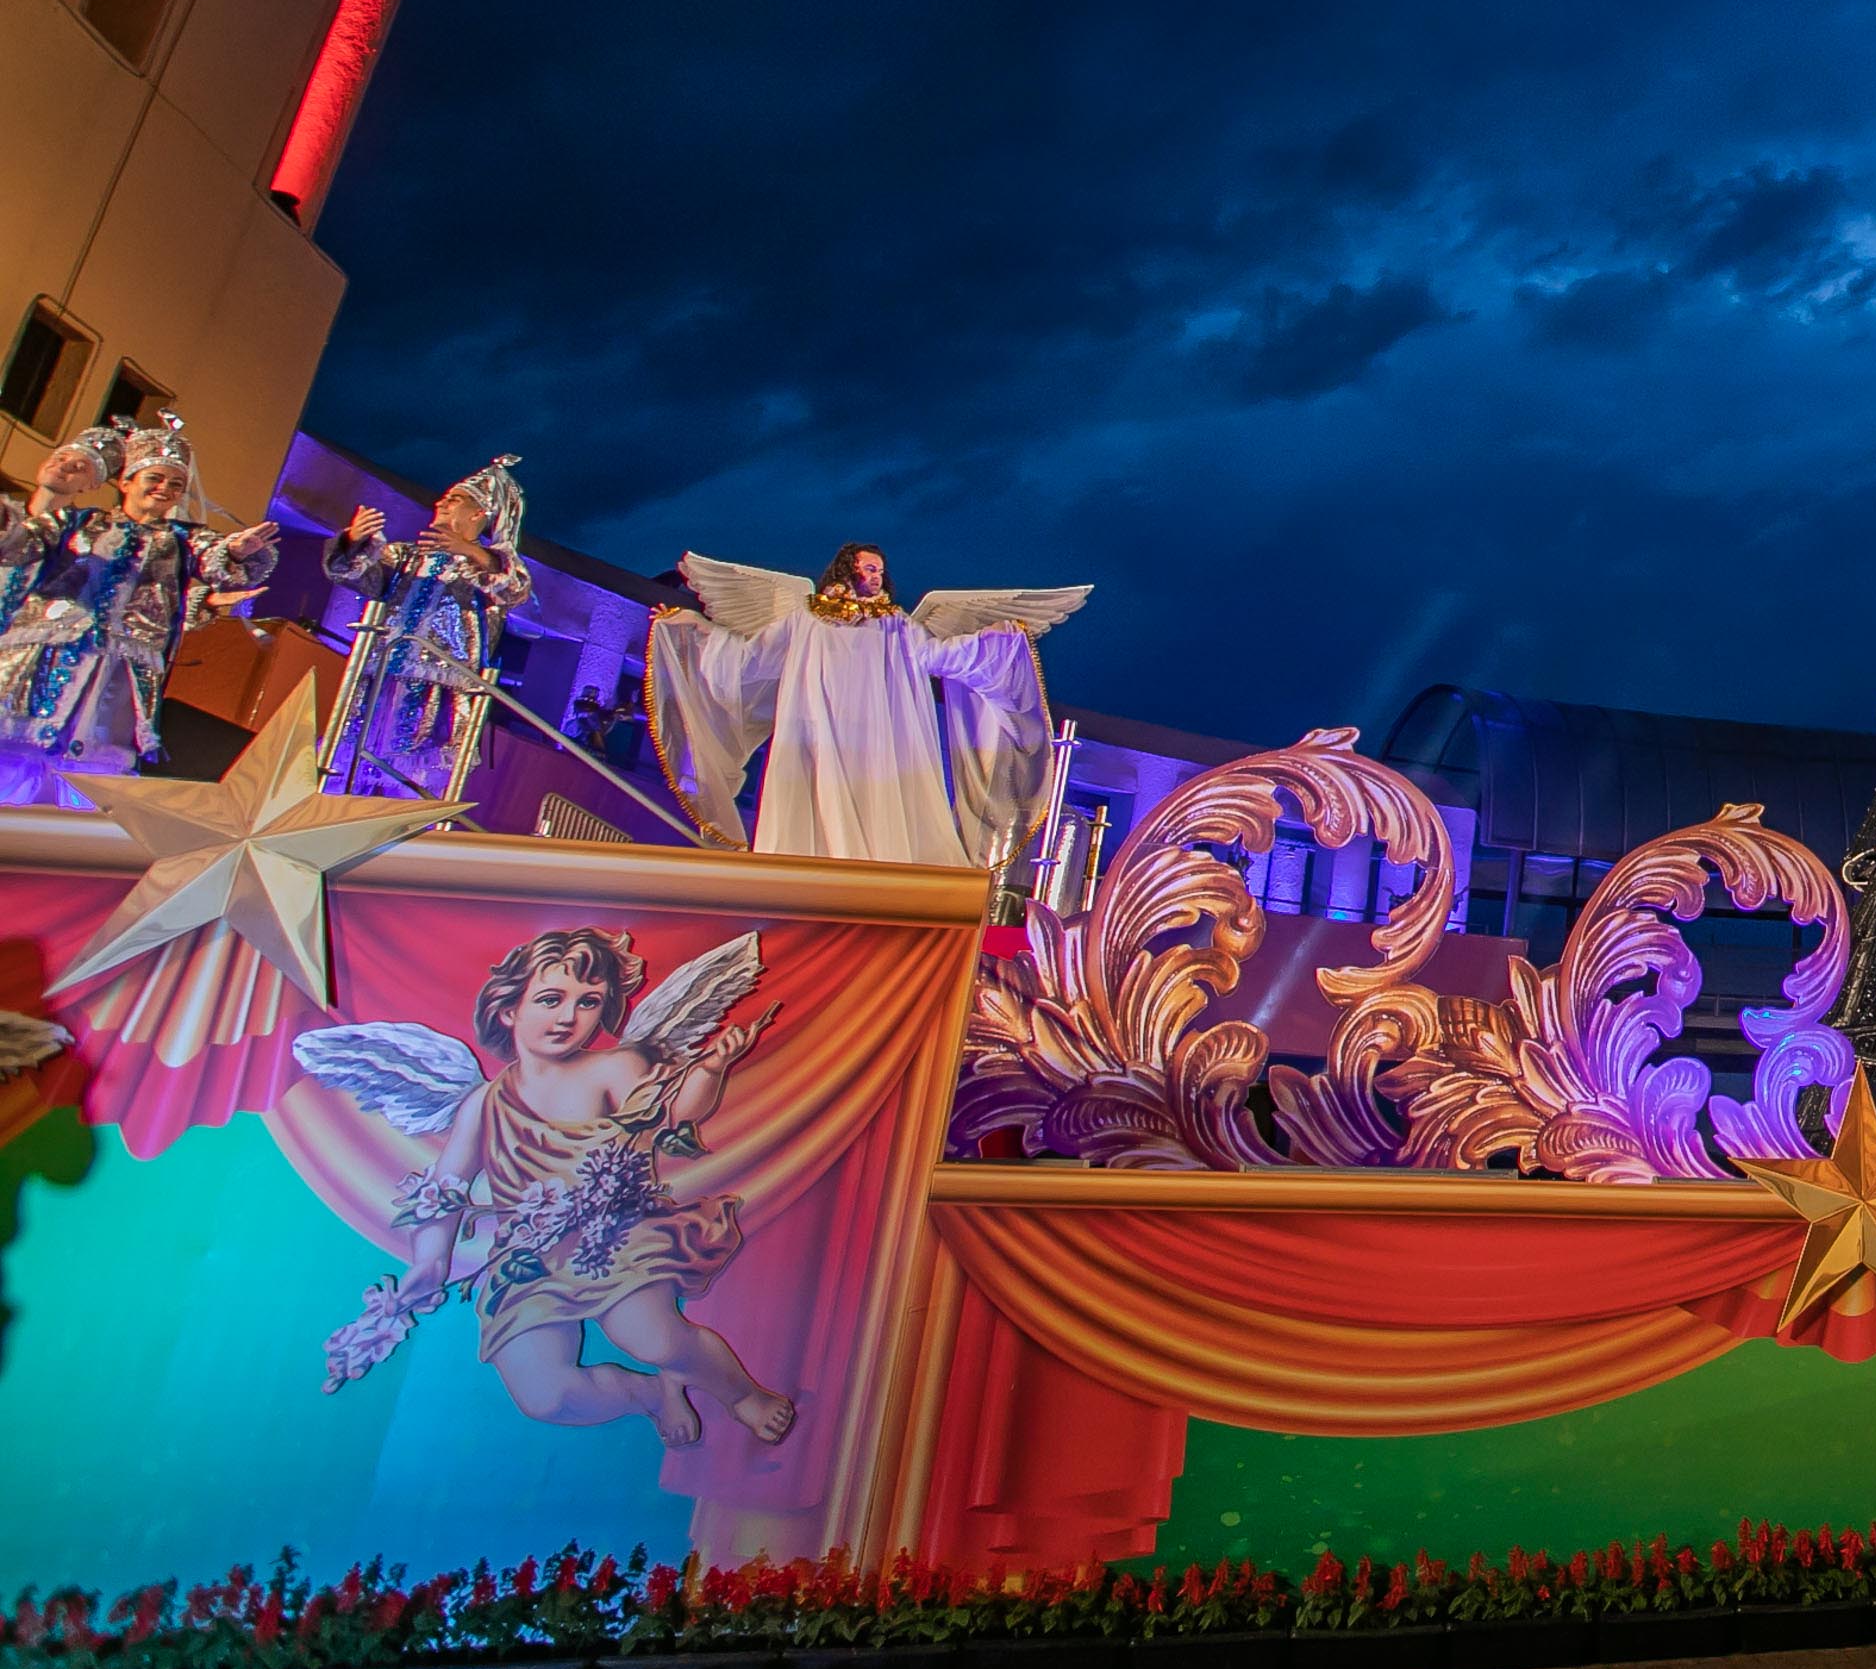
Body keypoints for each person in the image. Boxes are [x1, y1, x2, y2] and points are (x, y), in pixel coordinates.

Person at [296, 926, 791, 1446]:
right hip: (527, 1259)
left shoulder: (615, 1067)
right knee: (546, 1397)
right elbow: (445, 1188)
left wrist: (710, 1069)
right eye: (551, 999)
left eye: (589, 1002)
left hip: (612, 1237)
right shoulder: (484, 1103)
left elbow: (671, 1116)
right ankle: (650, 1395)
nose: (568, 1017)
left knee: (653, 1336)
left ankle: (741, 1395)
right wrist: (431, 1261)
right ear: (509, 1009)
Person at [642, 545, 1089, 865]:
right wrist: (689, 630)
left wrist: (995, 641)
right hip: (817, 735)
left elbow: (939, 656)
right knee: (817, 803)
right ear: (845, 571)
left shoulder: (893, 625)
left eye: (880, 570)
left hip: (877, 742)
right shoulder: (806, 618)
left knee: (875, 805)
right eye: (868, 569)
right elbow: (750, 657)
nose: (876, 576)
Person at [0, 415, 279, 806]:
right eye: (156, 478)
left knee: (95, 761)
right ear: (126, 481)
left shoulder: (183, 539)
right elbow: (20, 545)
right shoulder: (78, 523)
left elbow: (217, 559)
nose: (166, 489)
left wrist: (234, 551)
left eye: (176, 484)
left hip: (119, 669)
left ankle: (70, 842)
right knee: (18, 745)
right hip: (49, 653)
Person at [321, 455, 536, 795]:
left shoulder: (485, 570)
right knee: (353, 758)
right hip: (381, 678)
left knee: (413, 778)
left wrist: (470, 552)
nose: (441, 503)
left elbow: (515, 591)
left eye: (454, 500)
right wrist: (351, 541)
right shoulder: (407, 555)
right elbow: (354, 575)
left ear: (478, 514)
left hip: (438, 690)